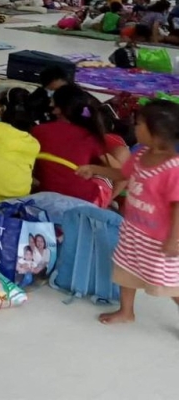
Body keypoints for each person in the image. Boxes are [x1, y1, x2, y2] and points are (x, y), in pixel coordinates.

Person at [77, 100, 179, 325]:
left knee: (170, 284)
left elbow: (177, 206)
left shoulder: (174, 168)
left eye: (139, 124)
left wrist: (174, 239)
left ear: (158, 131)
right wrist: (94, 169)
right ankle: (126, 312)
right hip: (132, 229)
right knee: (126, 269)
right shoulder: (141, 154)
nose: (135, 128)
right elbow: (122, 174)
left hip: (159, 240)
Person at [32, 85, 116, 206]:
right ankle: (109, 203)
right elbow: (119, 170)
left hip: (44, 196)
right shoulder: (90, 136)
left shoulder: (38, 130)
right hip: (83, 201)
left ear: (57, 109)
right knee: (104, 178)